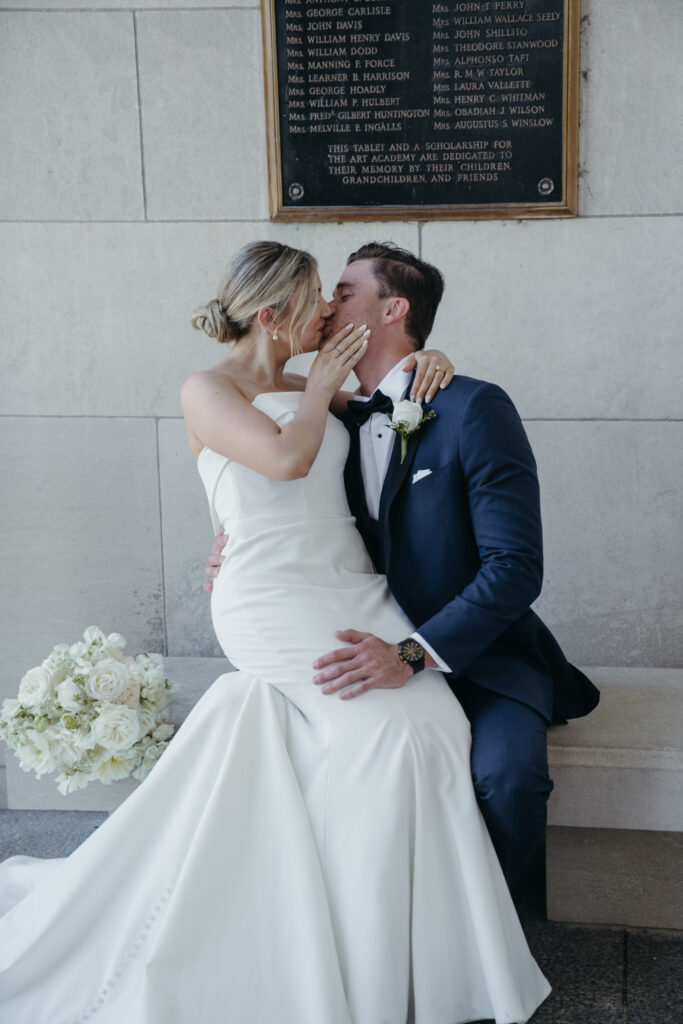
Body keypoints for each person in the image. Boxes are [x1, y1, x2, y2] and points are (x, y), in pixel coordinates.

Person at [0, 240, 551, 1024]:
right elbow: (284, 466)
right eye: (320, 296)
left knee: (427, 724)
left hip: (351, 590)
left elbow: (380, 415)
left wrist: (429, 359)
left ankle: (408, 957)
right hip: (272, 598)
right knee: (386, 737)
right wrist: (321, 389)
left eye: (342, 293)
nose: (330, 308)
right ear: (274, 313)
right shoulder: (208, 387)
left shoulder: (322, 387)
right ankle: (357, 966)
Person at [205, 241, 601, 897]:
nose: (327, 304)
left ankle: (496, 942)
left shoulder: (473, 408)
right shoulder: (333, 412)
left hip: (481, 659)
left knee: (508, 778)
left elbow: (515, 568)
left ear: (393, 310)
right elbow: (271, 484)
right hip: (354, 628)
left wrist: (414, 654)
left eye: (344, 291)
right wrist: (229, 537)